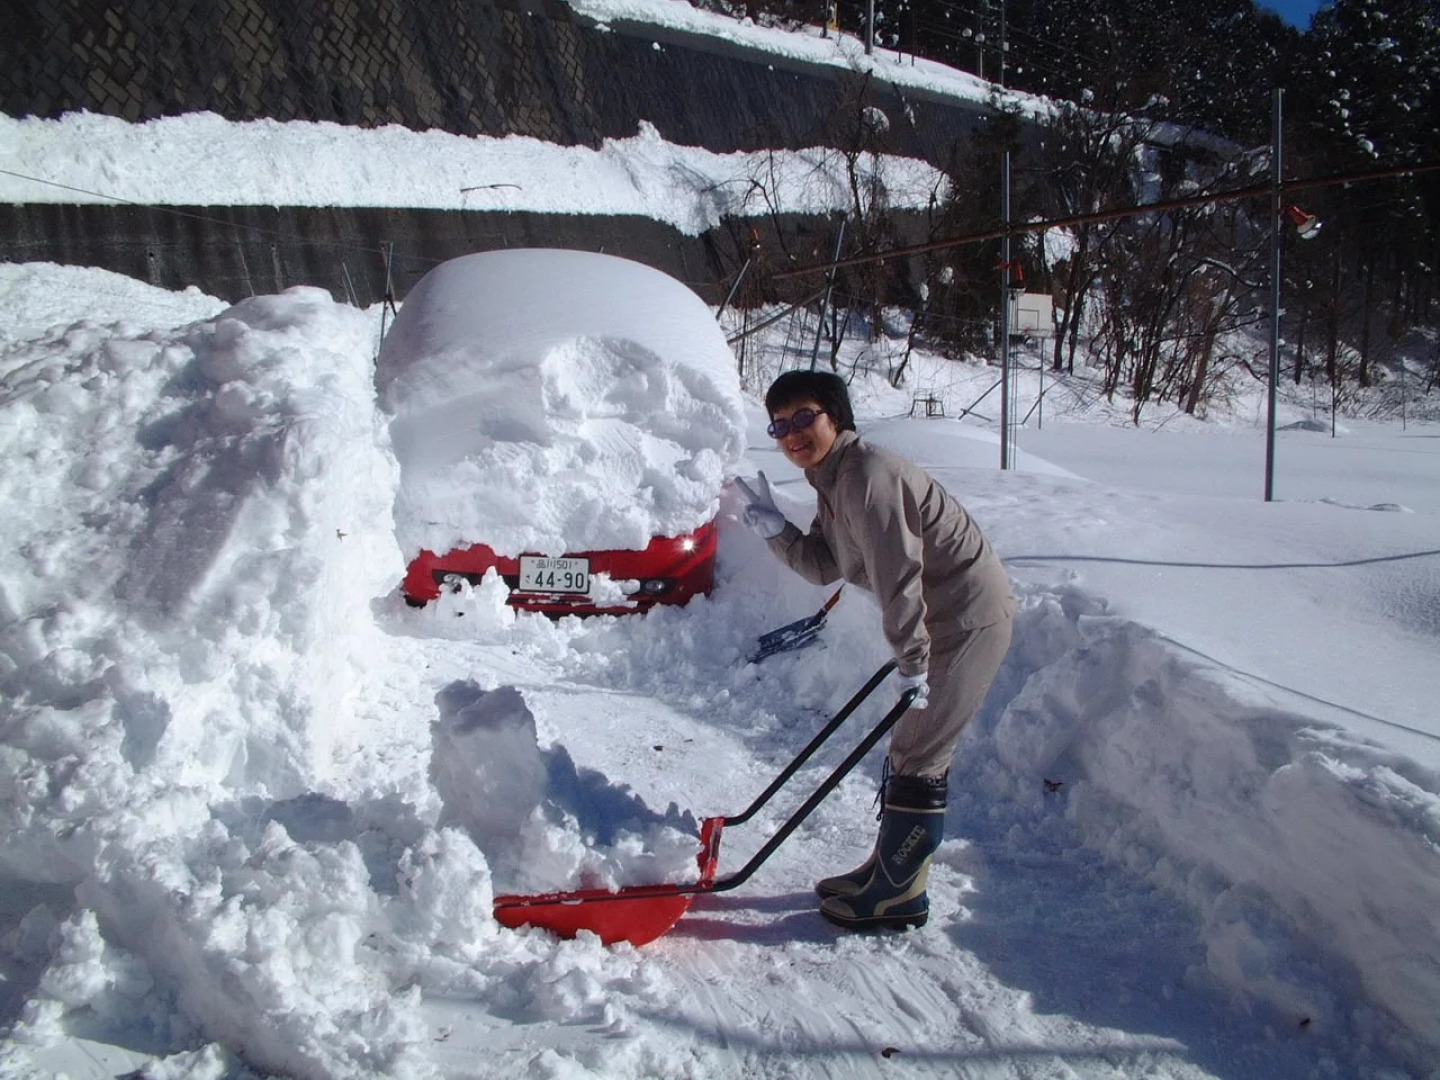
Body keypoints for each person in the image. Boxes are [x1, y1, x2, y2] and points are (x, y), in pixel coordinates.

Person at [735, 370, 1014, 931]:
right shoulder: (832, 479)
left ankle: (900, 893)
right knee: (911, 748)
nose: (792, 433)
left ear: (835, 416)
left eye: (804, 417)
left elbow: (898, 575)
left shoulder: (866, 475)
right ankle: (885, 872)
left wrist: (913, 662)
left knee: (920, 753)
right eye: (780, 424)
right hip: (942, 619)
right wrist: (774, 529)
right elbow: (824, 565)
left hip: (965, 618)